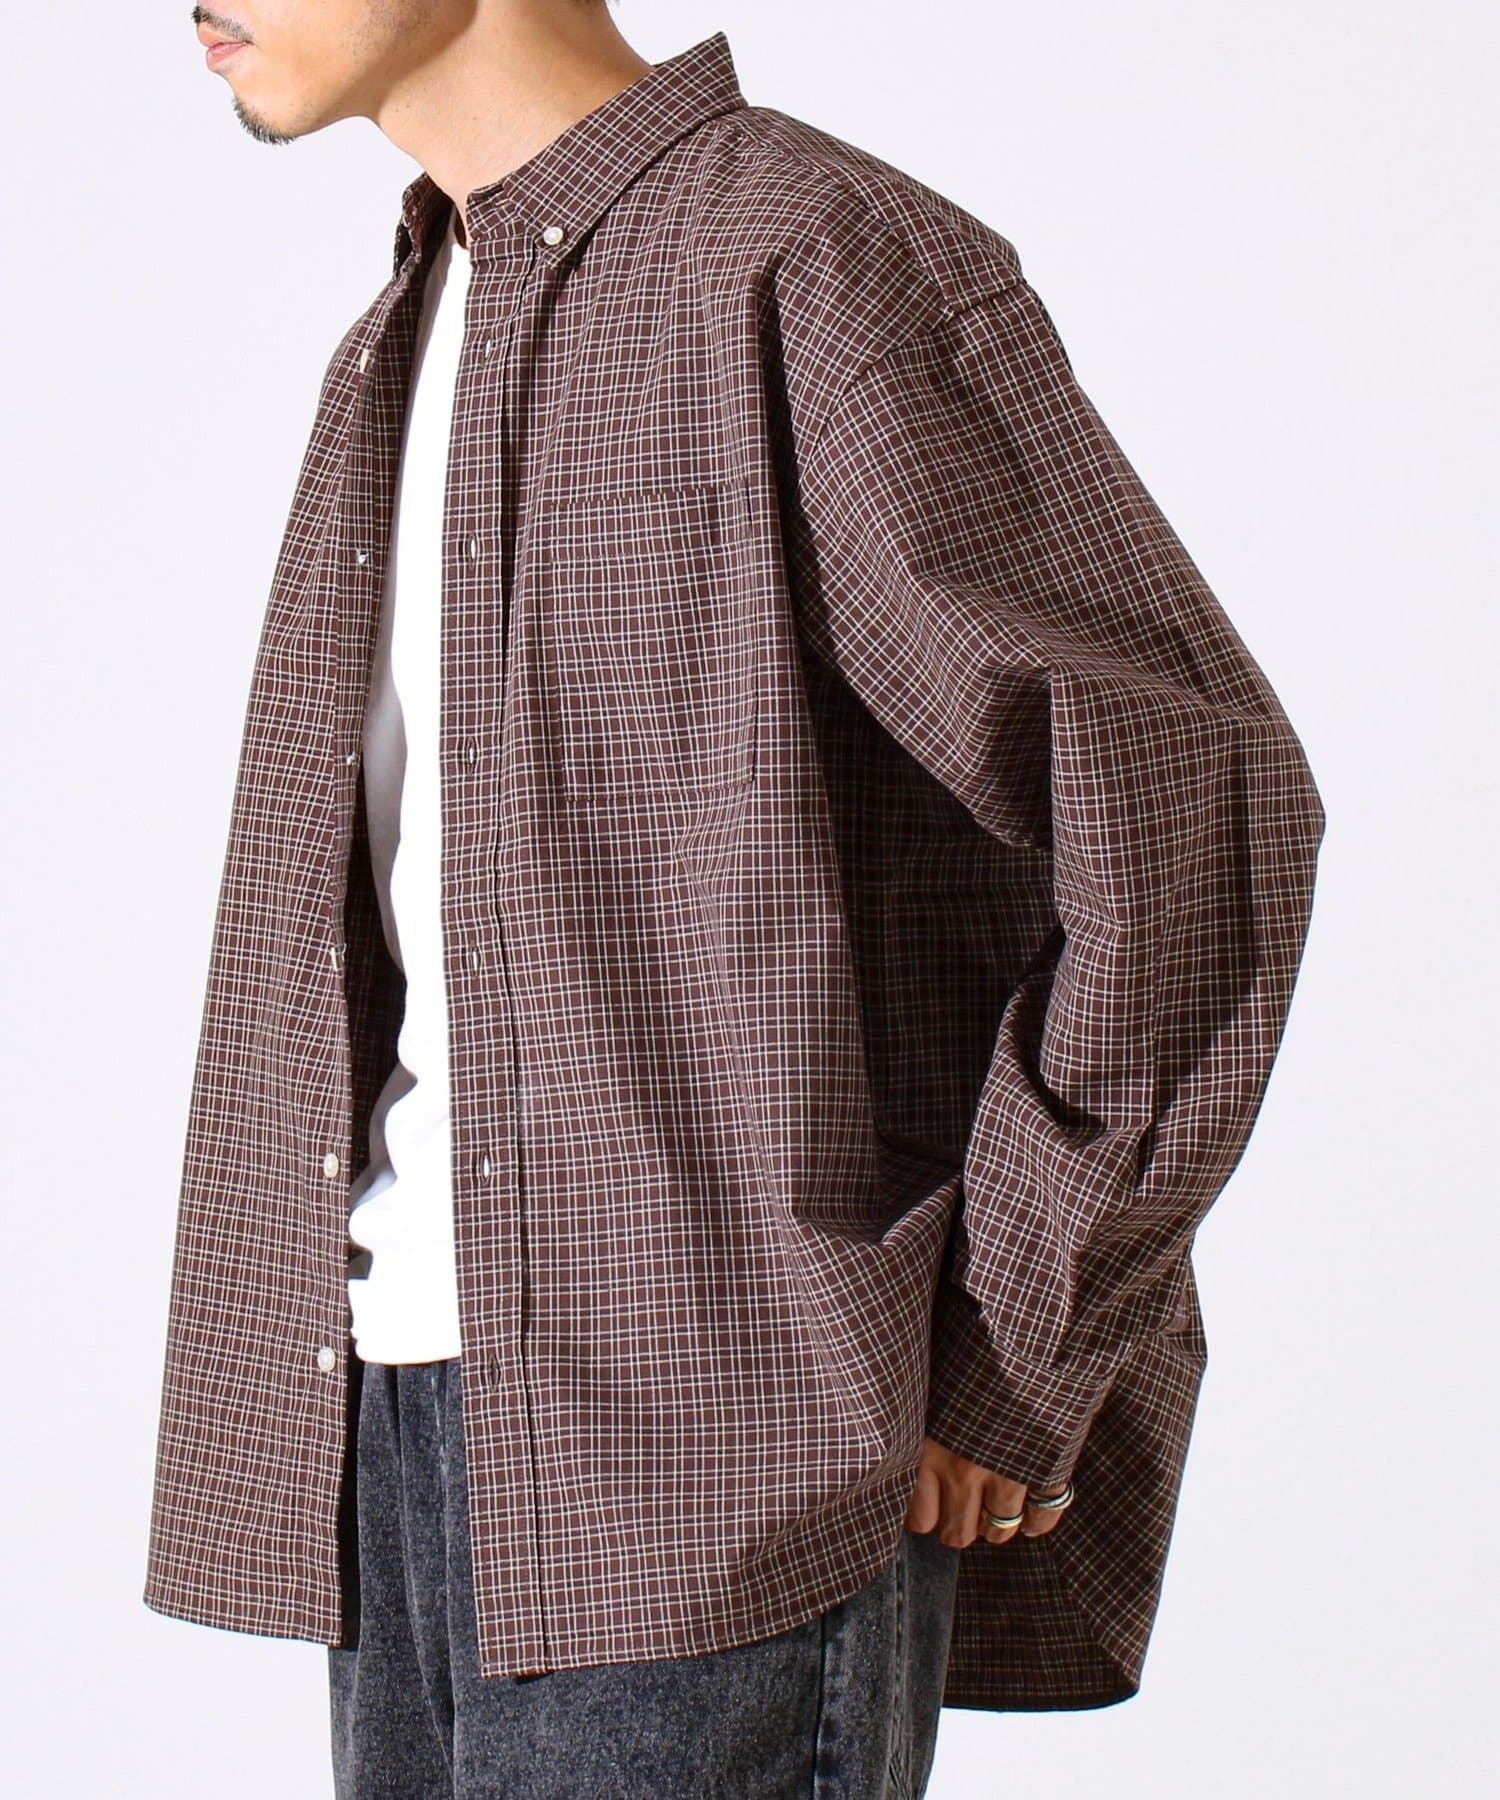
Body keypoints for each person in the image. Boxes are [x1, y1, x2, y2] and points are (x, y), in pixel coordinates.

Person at [146, 5, 1325, 1794]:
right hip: (389, 1406)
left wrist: (1019, 1338)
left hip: (721, 1446)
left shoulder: (808, 259)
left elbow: (1193, 812)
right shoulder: (401, 334)